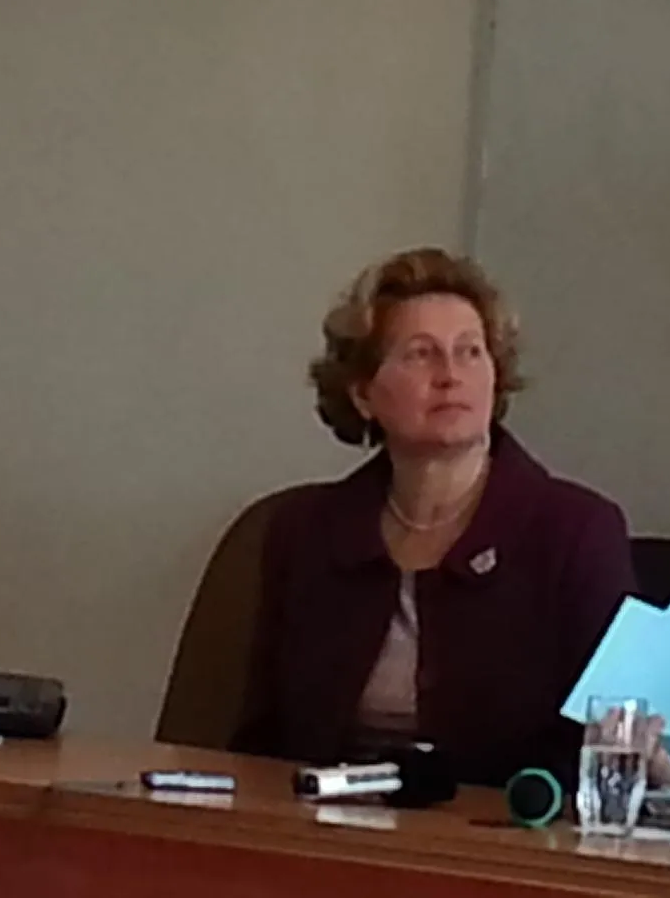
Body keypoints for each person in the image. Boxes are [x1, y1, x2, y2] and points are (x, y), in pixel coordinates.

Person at [231, 247, 635, 789]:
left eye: (470, 352)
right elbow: (263, 740)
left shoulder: (576, 530)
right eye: (421, 355)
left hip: (501, 827)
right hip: (318, 817)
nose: (450, 375)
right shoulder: (303, 530)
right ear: (363, 393)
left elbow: (594, 743)